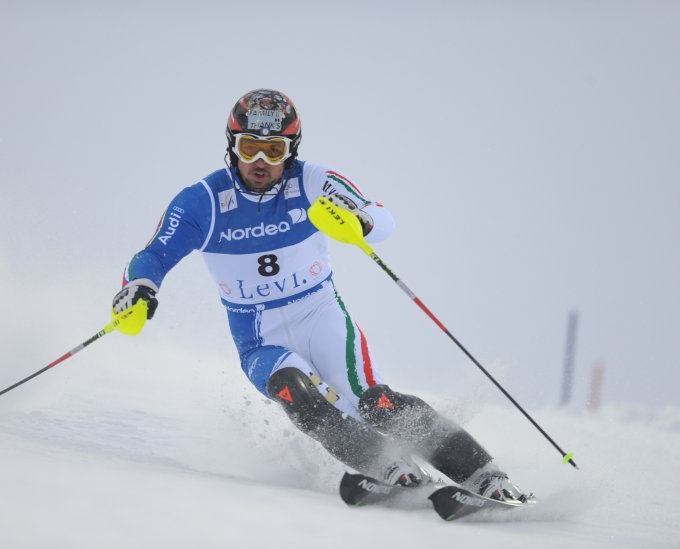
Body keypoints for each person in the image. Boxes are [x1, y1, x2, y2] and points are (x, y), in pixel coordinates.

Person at [112, 88, 530, 503]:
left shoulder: (311, 180)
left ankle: (487, 478)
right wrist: (140, 288)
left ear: (291, 150)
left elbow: (381, 218)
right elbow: (152, 256)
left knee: (375, 402)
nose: (260, 162)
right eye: (249, 148)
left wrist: (361, 221)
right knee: (295, 389)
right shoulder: (203, 202)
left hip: (320, 315)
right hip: (260, 338)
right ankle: (387, 468)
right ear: (231, 146)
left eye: (274, 150)